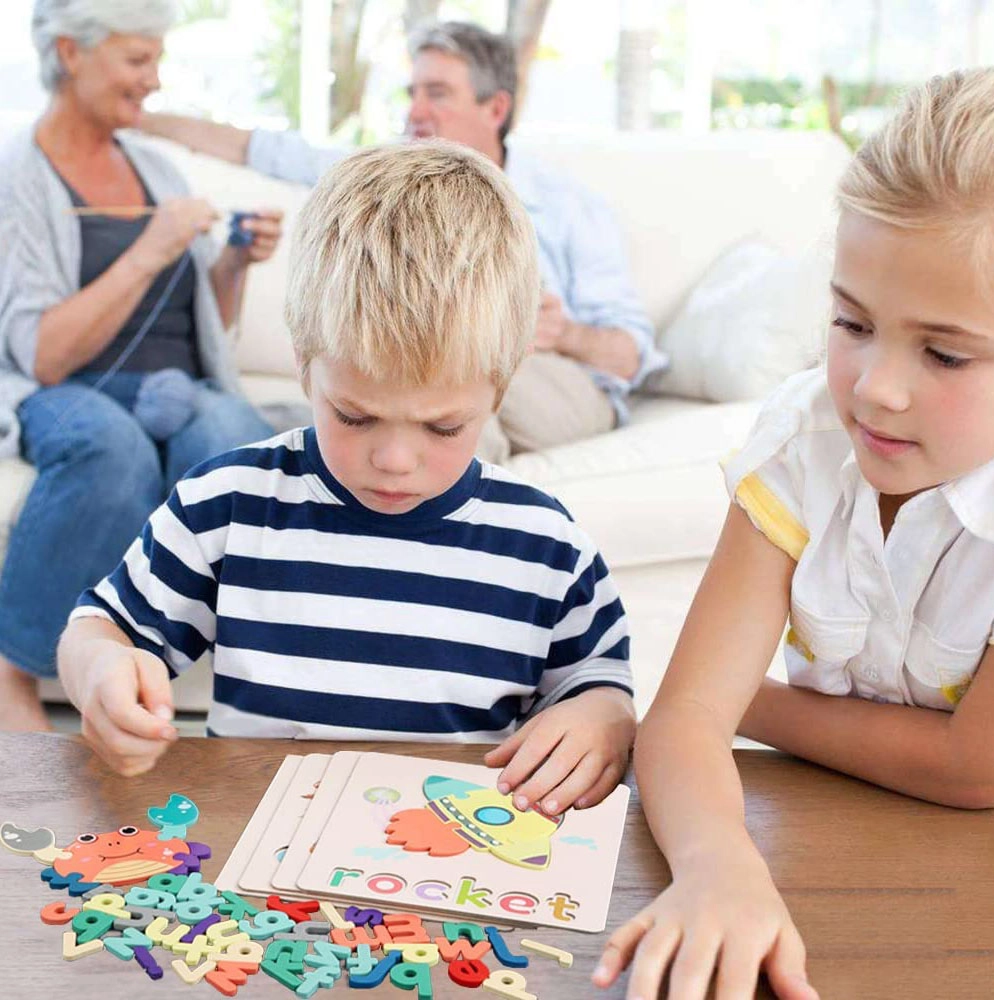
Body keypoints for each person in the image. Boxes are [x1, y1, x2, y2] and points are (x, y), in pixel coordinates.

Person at [56, 139, 637, 828]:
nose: (393, 459)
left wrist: (604, 719)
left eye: (443, 428)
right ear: (305, 367)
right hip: (258, 874)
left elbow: (600, 684)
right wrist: (100, 675)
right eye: (355, 416)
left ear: (500, 388)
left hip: (452, 883)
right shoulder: (231, 506)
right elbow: (102, 629)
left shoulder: (546, 545)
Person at [593, 67, 994, 1000]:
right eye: (852, 323)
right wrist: (716, 867)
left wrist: (758, 705)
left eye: (942, 352)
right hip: (834, 850)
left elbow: (976, 771)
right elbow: (684, 722)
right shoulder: (805, 441)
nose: (874, 388)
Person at [139, 20, 664, 464]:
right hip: (432, 361)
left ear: (496, 109)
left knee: (454, 404)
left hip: (549, 375)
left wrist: (563, 332)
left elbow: (630, 358)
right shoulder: (386, 174)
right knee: (379, 402)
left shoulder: (569, 206)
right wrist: (136, 116)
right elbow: (267, 150)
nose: (415, 111)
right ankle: (258, 431)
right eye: (411, 93)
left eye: (437, 94)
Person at [0, 0, 283, 732]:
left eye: (157, 59)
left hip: (179, 387)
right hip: (65, 389)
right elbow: (42, 352)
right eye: (137, 59)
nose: (152, 81)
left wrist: (235, 262)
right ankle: (11, 672)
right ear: (69, 52)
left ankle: (265, 691)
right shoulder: (18, 179)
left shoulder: (154, 166)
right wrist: (152, 247)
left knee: (235, 445)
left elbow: (207, 326)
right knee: (111, 447)